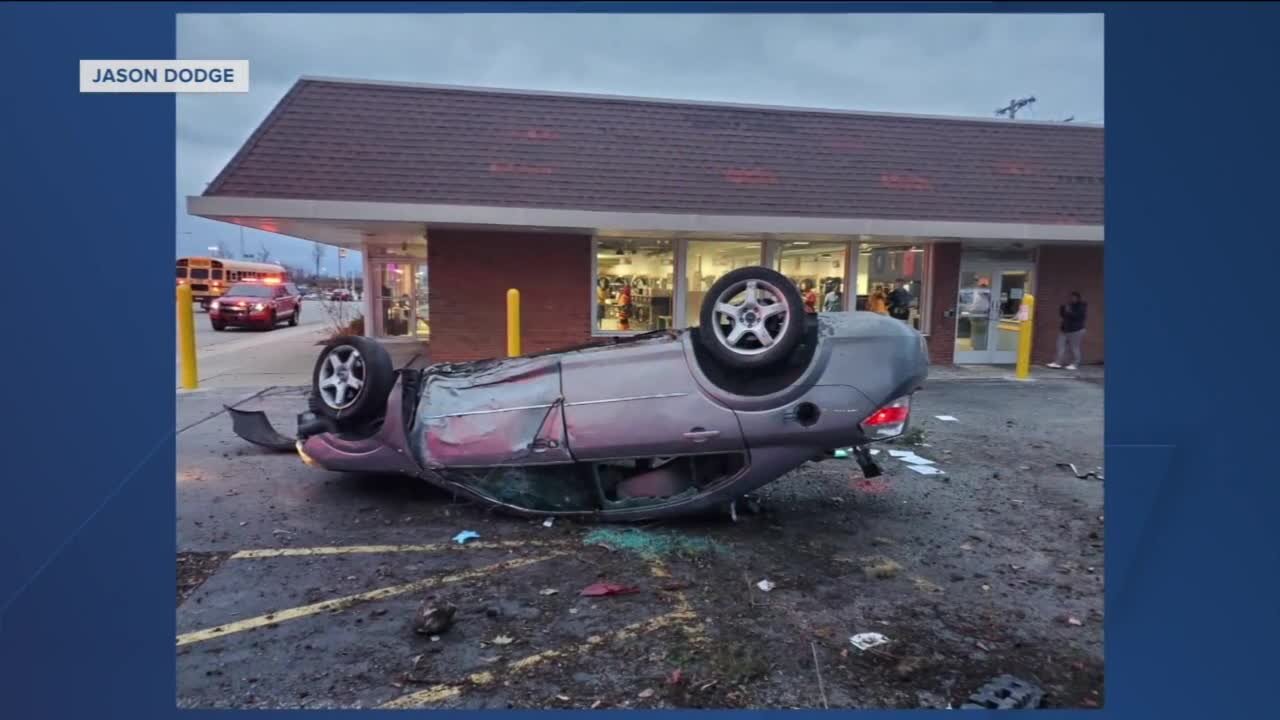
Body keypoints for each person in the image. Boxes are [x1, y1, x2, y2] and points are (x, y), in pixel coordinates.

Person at [1048, 291, 1088, 370]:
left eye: (1073, 297)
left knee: (1074, 348)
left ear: (1077, 298)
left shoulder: (1081, 306)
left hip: (1076, 330)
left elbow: (1077, 317)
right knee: (1060, 346)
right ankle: (1058, 363)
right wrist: (1062, 308)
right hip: (1064, 329)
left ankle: (1075, 364)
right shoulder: (1068, 305)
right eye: (1070, 297)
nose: (1071, 299)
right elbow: (1063, 315)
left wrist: (1069, 311)